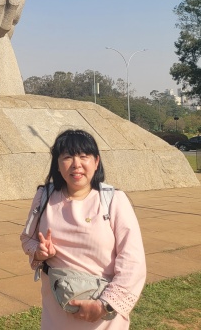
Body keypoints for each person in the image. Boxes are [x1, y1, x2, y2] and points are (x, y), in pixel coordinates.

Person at [20, 129, 146, 329]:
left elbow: (133, 262)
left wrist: (105, 305)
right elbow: (27, 239)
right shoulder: (44, 197)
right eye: (67, 157)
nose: (76, 164)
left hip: (102, 315)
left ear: (96, 162)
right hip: (57, 313)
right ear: (57, 165)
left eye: (83, 156)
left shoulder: (114, 201)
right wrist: (39, 251)